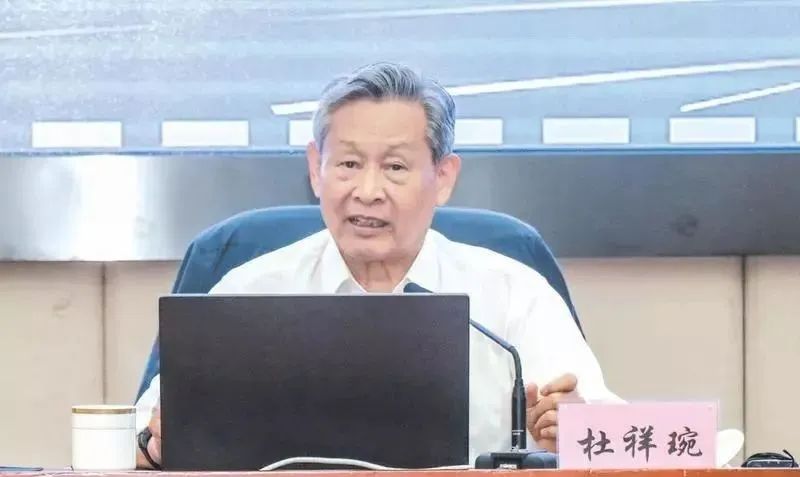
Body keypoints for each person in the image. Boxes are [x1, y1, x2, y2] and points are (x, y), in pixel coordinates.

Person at [135, 62, 621, 469]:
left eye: (395, 167)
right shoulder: (249, 289)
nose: (367, 191)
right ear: (315, 169)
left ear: (443, 177)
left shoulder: (511, 294)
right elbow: (141, 434)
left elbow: (617, 438)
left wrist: (574, 429)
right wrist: (155, 443)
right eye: (348, 164)